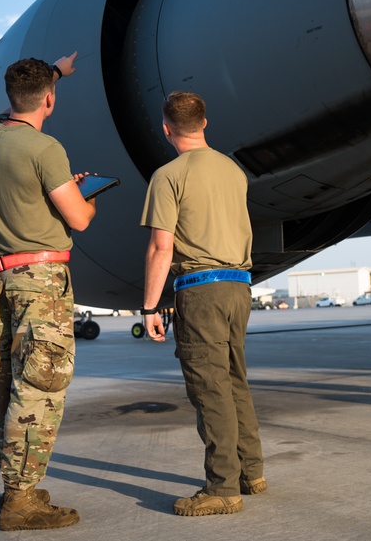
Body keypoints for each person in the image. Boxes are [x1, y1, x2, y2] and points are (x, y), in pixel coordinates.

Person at [0, 53, 97, 531]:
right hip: (40, 284)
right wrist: (82, 197)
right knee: (40, 387)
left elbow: (17, 109)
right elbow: (79, 219)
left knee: (10, 384)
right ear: (49, 98)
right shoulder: (46, 149)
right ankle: (20, 503)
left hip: (0, 278)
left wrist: (54, 73)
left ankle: (16, 486)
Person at [140, 90, 266, 516]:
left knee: (210, 389)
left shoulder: (169, 175)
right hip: (239, 287)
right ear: (205, 123)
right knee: (234, 382)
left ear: (166, 127)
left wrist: (150, 307)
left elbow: (161, 247)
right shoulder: (233, 170)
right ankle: (252, 472)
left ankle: (222, 488)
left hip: (201, 290)